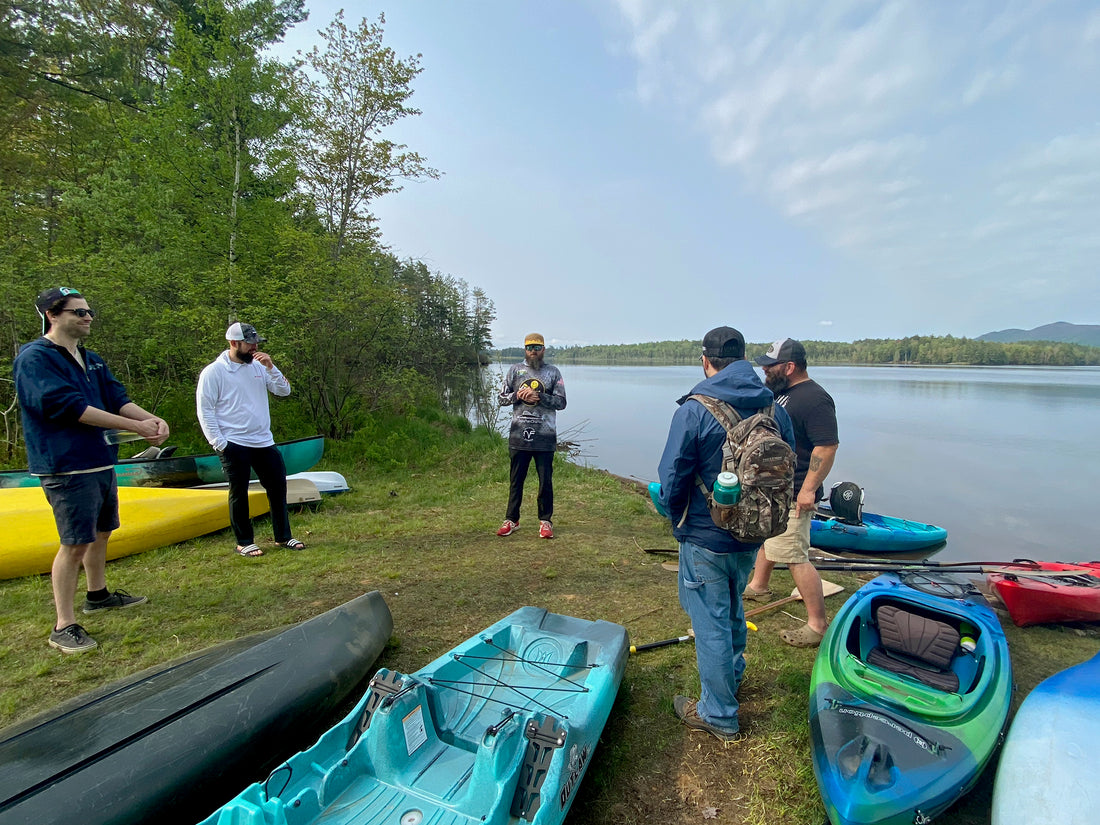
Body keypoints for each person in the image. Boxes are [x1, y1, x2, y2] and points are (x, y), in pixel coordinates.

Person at [14, 287, 170, 654]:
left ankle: (97, 595)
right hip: (66, 465)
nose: (87, 318)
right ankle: (63, 624)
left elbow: (117, 398)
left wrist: (149, 419)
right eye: (78, 312)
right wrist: (136, 428)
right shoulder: (36, 359)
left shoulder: (91, 359)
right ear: (53, 315)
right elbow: (68, 406)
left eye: (89, 312)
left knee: (102, 532)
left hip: (100, 459)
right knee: (74, 542)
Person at [657, 326, 795, 742]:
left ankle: (718, 713)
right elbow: (790, 467)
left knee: (711, 621)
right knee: (733, 605)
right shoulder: (774, 408)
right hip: (753, 533)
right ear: (744, 361)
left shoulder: (694, 410)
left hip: (706, 536)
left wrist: (670, 510)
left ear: (706, 361)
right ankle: (731, 676)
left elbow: (672, 479)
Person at [744, 338, 839, 648]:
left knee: (795, 556)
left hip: (796, 491)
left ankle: (817, 625)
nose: (764, 370)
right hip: (775, 487)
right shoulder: (783, 393)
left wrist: (808, 490)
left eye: (770, 366)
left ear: (790, 366)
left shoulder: (815, 399)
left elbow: (826, 447)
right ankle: (759, 585)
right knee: (767, 537)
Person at [196, 322, 303, 557]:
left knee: (277, 488)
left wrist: (271, 368)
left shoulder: (258, 366)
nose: (255, 347)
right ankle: (244, 542)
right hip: (233, 442)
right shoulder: (214, 372)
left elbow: (284, 391)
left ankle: (283, 537)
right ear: (234, 343)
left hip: (264, 441)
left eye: (256, 343)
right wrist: (220, 443)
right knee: (239, 491)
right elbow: (205, 411)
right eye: (250, 343)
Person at [496, 333, 567, 539]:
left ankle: (545, 521)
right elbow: (501, 399)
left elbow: (561, 402)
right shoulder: (515, 371)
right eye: (529, 348)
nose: (533, 351)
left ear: (543, 349)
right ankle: (511, 520)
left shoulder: (553, 372)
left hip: (544, 437)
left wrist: (540, 397)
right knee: (516, 480)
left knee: (545, 481)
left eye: (537, 347)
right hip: (519, 437)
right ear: (525, 350)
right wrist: (518, 395)